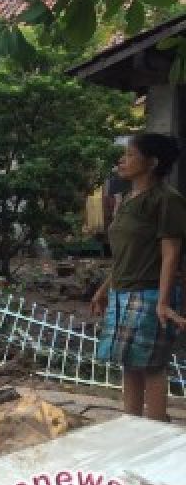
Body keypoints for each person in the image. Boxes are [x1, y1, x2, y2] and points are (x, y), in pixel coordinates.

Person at [91, 133, 186, 421]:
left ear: (152, 162)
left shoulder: (166, 200)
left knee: (152, 366)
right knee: (129, 364)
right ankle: (129, 427)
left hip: (149, 293)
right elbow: (123, 255)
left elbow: (171, 254)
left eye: (130, 155)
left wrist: (164, 302)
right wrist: (103, 290)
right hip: (122, 291)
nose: (122, 160)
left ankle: (155, 431)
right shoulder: (127, 200)